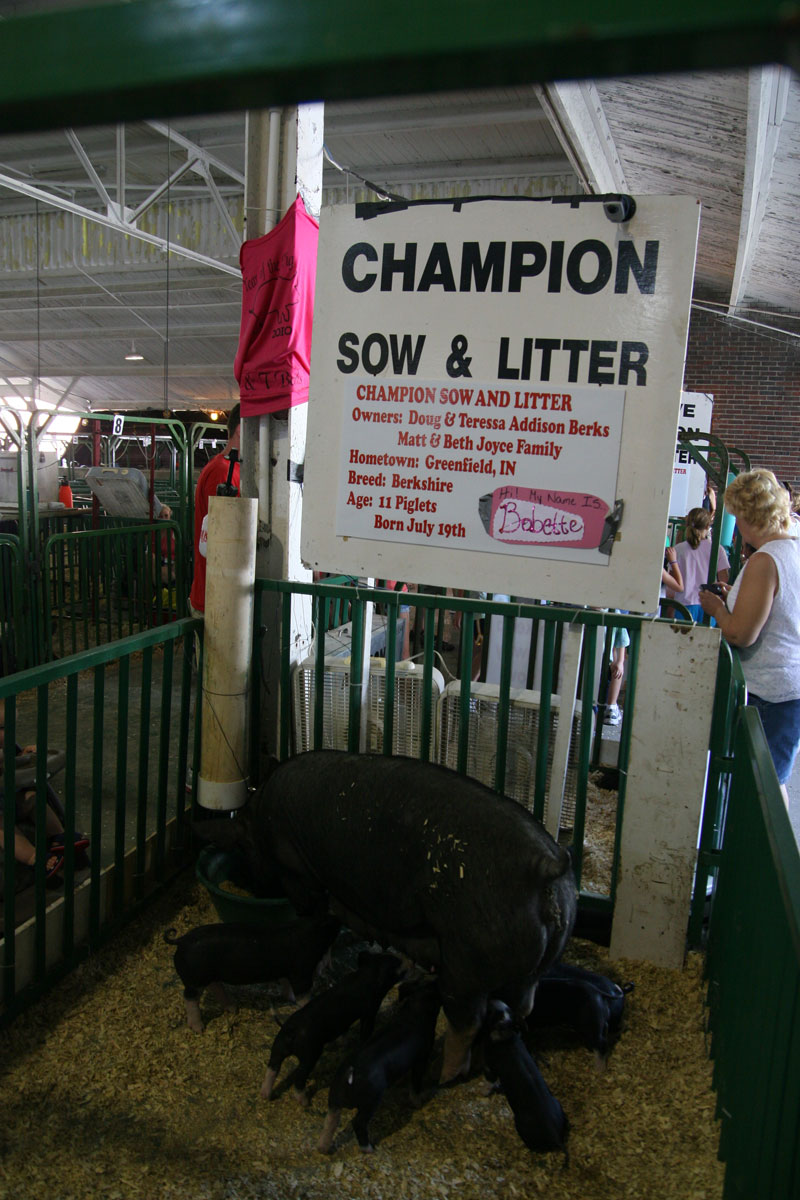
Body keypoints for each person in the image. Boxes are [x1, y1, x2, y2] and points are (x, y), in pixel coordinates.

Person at [699, 469, 800, 805]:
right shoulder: (793, 549)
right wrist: (735, 598)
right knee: (774, 780)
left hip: (766, 692)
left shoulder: (765, 560)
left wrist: (716, 608)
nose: (736, 525)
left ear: (749, 515)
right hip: (787, 687)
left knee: (760, 790)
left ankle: (758, 857)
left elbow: (742, 633)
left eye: (737, 517)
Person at [188, 404, 241, 616]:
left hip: (223, 595)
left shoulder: (232, 468)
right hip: (215, 598)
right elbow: (221, 543)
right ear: (241, 429)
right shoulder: (223, 472)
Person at [668, 507, 729, 622]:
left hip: (683, 607)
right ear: (707, 526)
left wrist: (669, 610)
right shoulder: (717, 549)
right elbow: (723, 580)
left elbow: (672, 584)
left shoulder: (678, 550)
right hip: (709, 605)